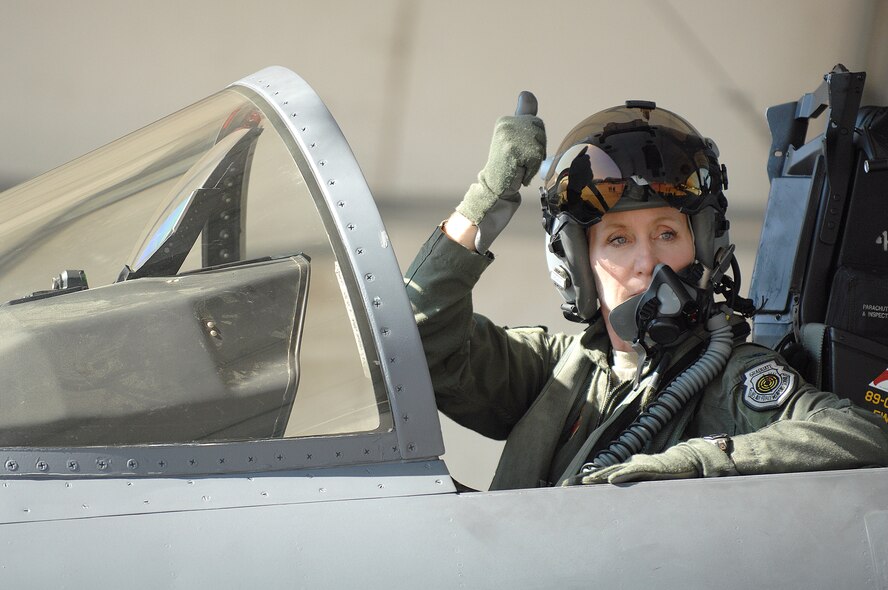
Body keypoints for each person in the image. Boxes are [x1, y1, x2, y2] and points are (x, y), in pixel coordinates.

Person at [404, 94, 888, 491]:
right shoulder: (554, 372)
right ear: (577, 266)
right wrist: (483, 202)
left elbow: (864, 434)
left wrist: (700, 459)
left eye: (667, 233)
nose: (647, 261)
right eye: (618, 239)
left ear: (701, 248)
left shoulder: (731, 376)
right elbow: (414, 342)